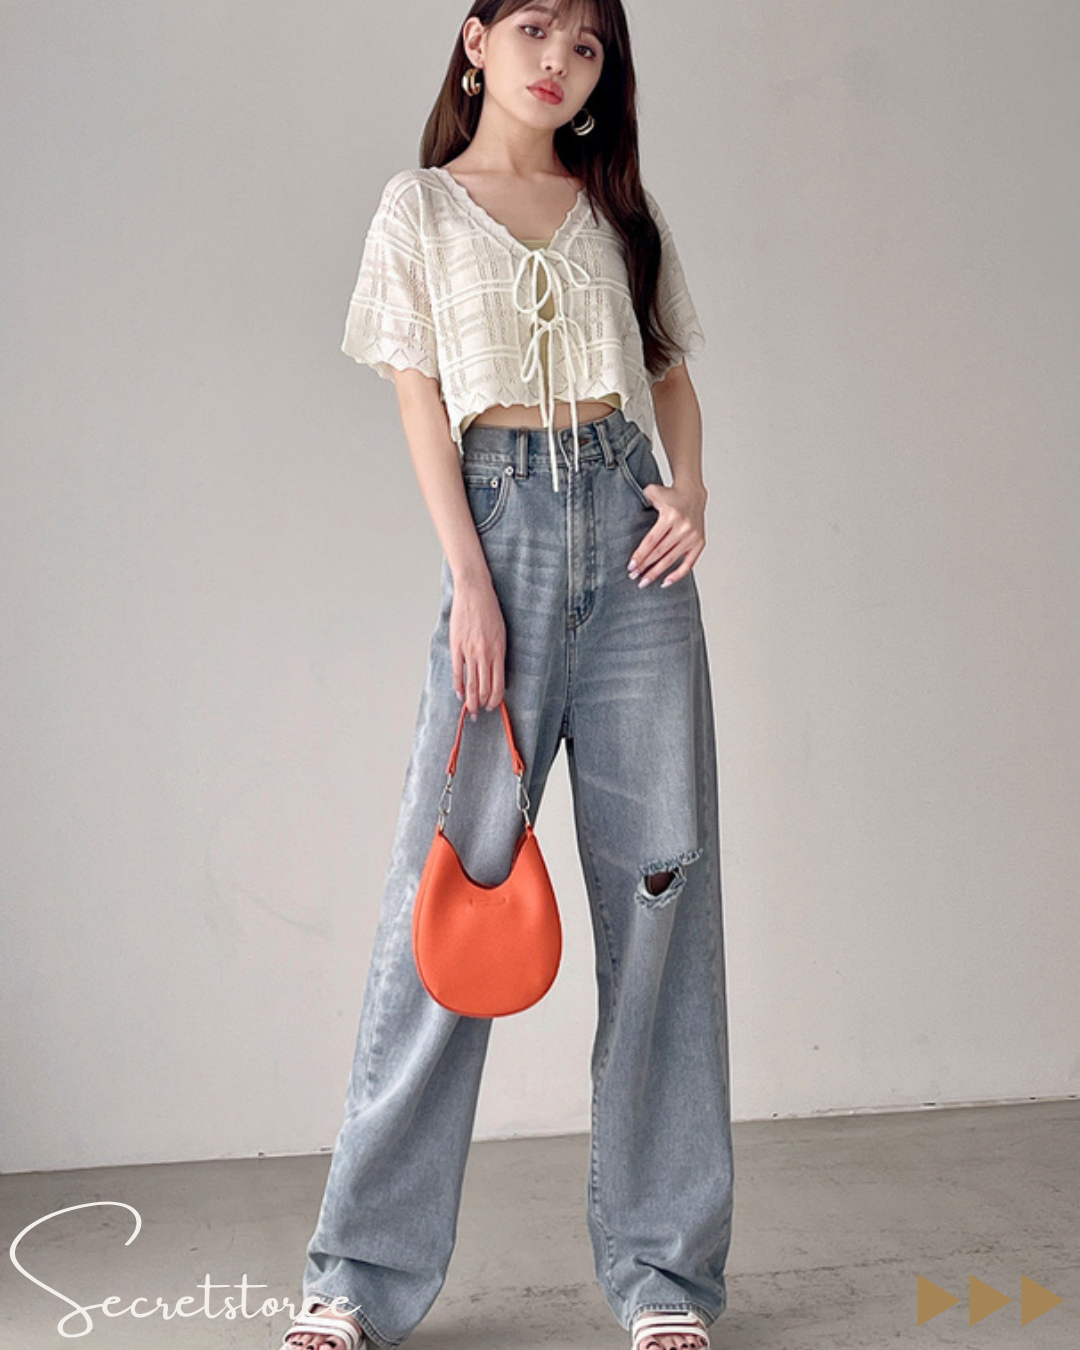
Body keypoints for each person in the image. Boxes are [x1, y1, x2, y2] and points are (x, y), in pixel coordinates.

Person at [281, 3, 733, 1348]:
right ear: (475, 42)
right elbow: (418, 395)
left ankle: (664, 1276)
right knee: (449, 898)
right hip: (502, 534)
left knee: (663, 896)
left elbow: (667, 372)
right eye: (536, 28)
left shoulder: (617, 209)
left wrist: (692, 487)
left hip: (634, 542)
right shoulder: (420, 207)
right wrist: (471, 580)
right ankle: (357, 1276)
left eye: (587, 46)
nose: (559, 61)